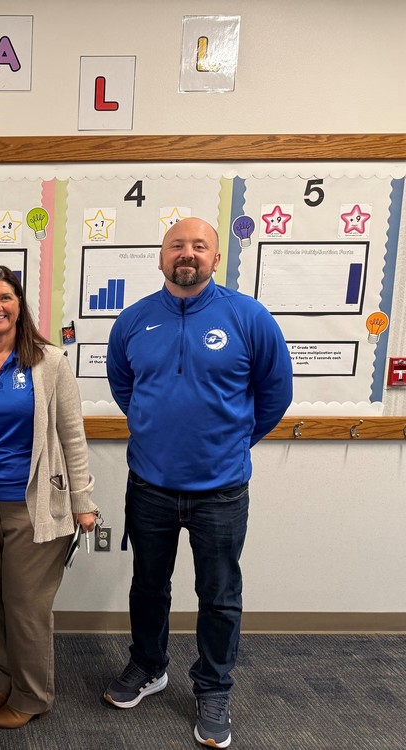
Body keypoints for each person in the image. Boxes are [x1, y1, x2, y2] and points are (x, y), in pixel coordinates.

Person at [103, 217, 292, 748]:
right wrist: (156, 430)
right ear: (161, 257)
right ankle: (149, 666)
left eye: (199, 246)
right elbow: (124, 385)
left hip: (222, 491)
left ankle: (213, 687)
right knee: (148, 586)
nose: (187, 254)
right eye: (177, 245)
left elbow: (275, 394)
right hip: (150, 486)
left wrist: (230, 444)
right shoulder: (134, 321)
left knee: (219, 594)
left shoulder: (247, 316)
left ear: (215, 258)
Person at [0, 265, 98, 730]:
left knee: (27, 608)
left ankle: (33, 696)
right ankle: (7, 677)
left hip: (36, 507)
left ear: (18, 305)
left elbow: (72, 434)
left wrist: (84, 502)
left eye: (5, 298)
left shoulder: (48, 363)